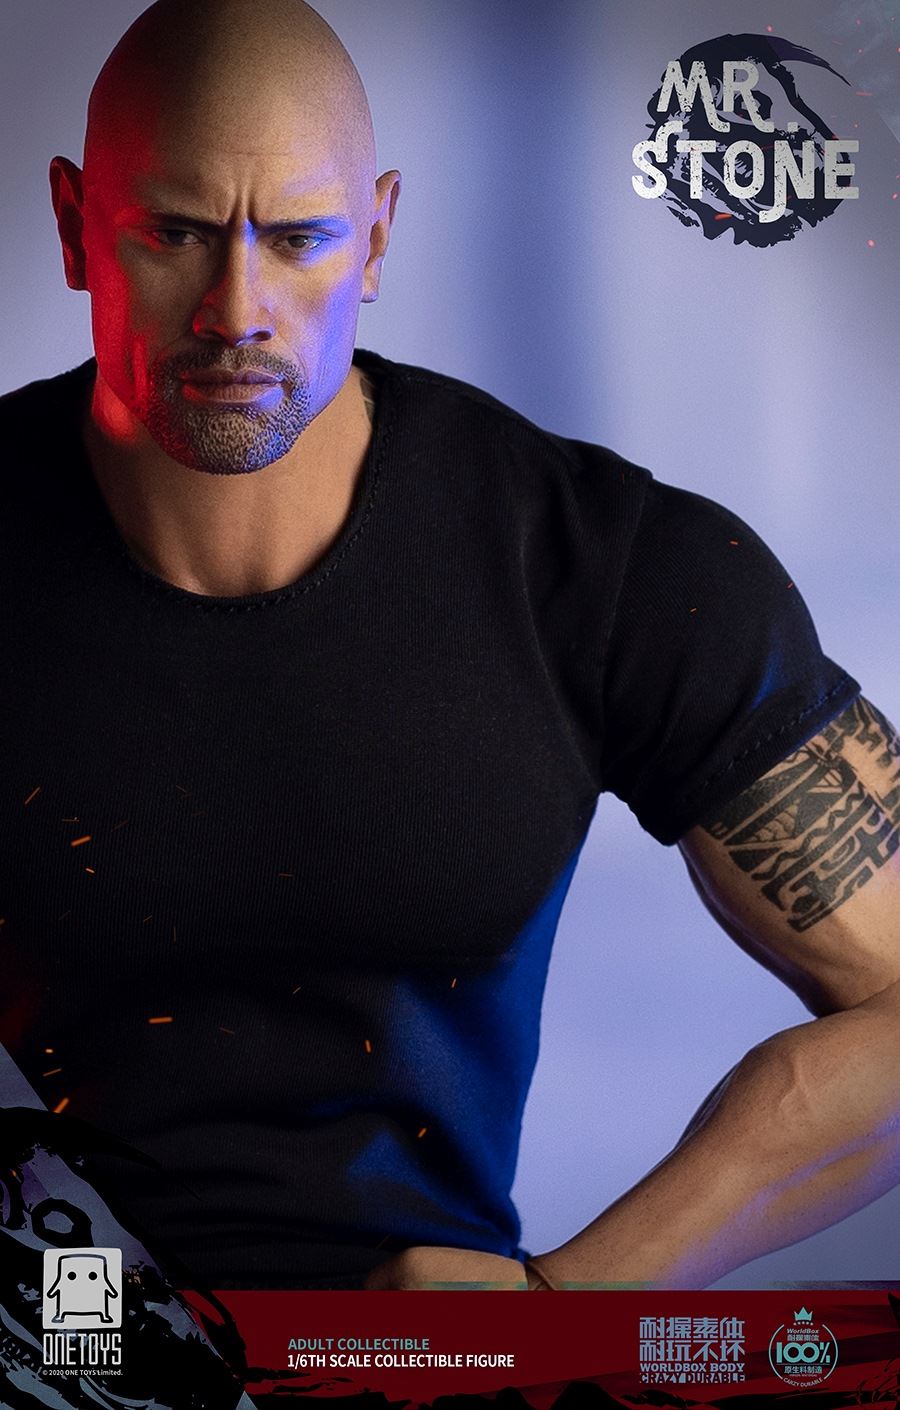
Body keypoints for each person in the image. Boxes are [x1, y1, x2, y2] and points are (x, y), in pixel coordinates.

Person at [0, 0, 897, 1295]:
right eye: (177, 233)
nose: (236, 309)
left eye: (298, 238)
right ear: (74, 224)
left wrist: (566, 1304)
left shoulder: (597, 566)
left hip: (431, 1366)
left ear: (375, 239)